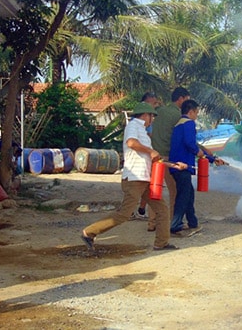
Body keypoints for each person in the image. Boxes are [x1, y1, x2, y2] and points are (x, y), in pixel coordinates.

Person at [81, 102, 185, 252]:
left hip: (144, 178)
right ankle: (88, 232)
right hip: (135, 179)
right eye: (152, 116)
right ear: (145, 115)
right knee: (124, 213)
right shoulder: (133, 126)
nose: (153, 120)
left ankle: (161, 243)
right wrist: (150, 151)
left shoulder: (142, 131)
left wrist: (174, 165)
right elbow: (131, 143)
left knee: (162, 210)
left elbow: (154, 158)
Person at [169, 99, 225, 236]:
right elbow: (190, 144)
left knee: (188, 194)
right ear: (191, 111)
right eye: (197, 113)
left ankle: (193, 222)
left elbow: (190, 144)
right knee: (183, 196)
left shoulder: (178, 125)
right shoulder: (188, 123)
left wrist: (212, 159)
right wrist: (198, 152)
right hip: (183, 166)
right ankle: (175, 225)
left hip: (177, 166)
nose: (197, 116)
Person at [146, 86, 191, 232]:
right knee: (175, 191)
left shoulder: (158, 112)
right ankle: (173, 222)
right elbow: (185, 139)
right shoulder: (178, 116)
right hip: (168, 157)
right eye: (187, 100)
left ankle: (152, 223)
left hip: (154, 157)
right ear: (181, 99)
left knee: (155, 191)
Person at [131, 91, 161, 220]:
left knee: (149, 188)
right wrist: (150, 150)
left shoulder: (147, 121)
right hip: (138, 164)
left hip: (146, 162)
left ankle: (142, 210)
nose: (154, 105)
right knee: (138, 191)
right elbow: (132, 142)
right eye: (152, 103)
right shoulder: (136, 124)